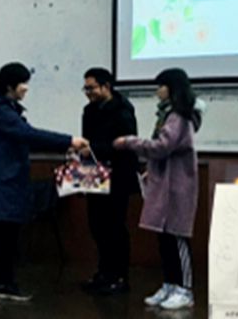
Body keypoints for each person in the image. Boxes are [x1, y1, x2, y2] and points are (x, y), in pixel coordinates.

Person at [0, 62, 89, 304]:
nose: (26, 88)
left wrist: (65, 146)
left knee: (8, 238)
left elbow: (28, 136)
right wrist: (69, 140)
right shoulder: (0, 113)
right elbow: (30, 135)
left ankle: (6, 284)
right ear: (10, 86)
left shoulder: (8, 110)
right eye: (23, 83)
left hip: (9, 185)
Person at [114, 68, 201, 310]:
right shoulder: (167, 115)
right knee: (164, 238)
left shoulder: (179, 116)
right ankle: (170, 284)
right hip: (164, 183)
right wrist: (151, 170)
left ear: (172, 88)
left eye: (160, 86)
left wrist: (130, 142)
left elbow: (162, 146)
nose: (157, 91)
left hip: (178, 186)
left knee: (177, 237)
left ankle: (185, 289)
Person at [80, 67, 139, 295]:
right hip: (94, 174)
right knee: (96, 225)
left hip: (118, 176)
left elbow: (127, 144)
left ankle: (119, 277)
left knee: (115, 227)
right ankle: (103, 273)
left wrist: (94, 148)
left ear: (106, 86)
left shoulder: (123, 110)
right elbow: (86, 140)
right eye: (86, 89)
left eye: (92, 88)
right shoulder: (89, 110)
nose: (88, 93)